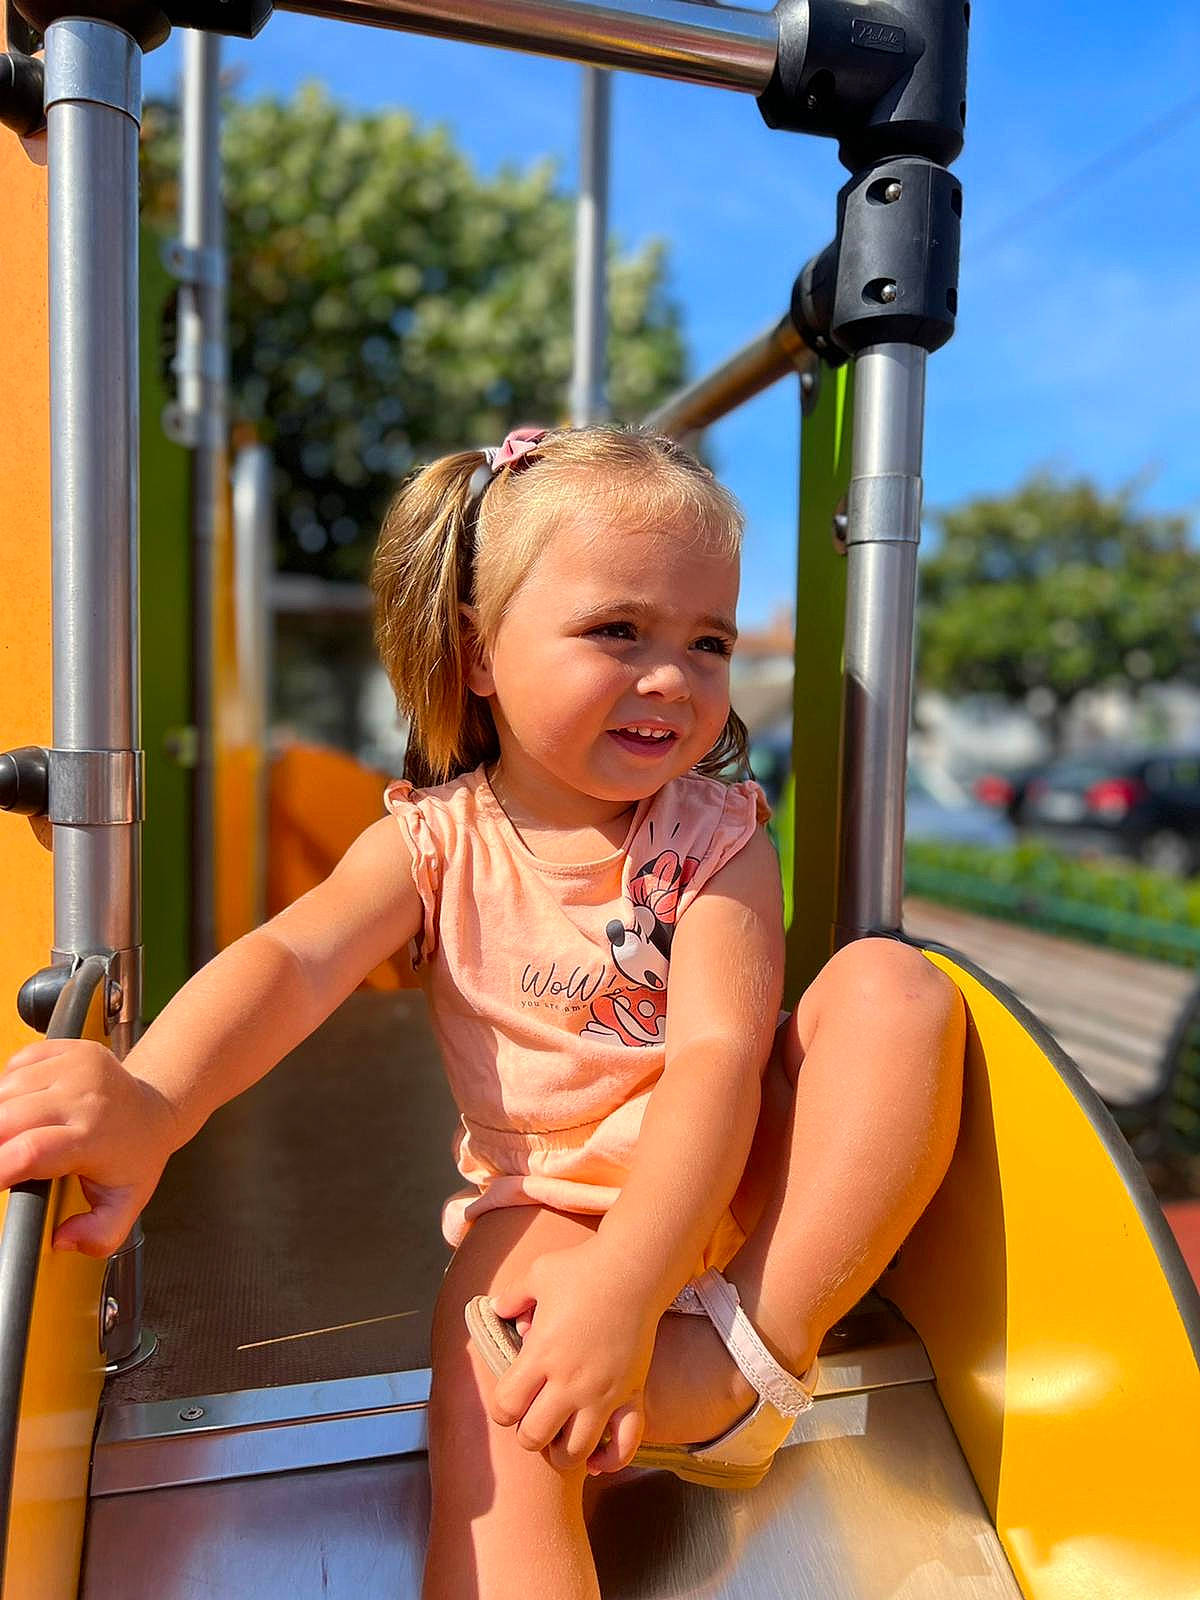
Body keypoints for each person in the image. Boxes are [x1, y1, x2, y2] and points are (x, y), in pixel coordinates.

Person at [0, 425, 963, 1599]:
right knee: (498, 1418)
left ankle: (750, 1356)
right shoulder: (434, 842)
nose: (673, 677)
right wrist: (153, 1099)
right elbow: (293, 962)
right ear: (479, 654)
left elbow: (717, 1060)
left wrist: (635, 1288)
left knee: (894, 987)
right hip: (553, 1199)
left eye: (707, 641)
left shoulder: (715, 838)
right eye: (619, 630)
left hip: (739, 1186)